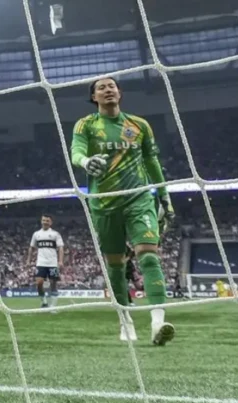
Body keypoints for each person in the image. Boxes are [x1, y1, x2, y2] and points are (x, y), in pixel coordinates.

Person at [70, 76, 175, 344]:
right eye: (101, 88)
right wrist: (86, 161)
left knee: (148, 255)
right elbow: (76, 152)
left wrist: (164, 195)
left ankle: (158, 322)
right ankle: (125, 320)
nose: (108, 90)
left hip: (139, 198)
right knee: (115, 266)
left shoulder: (139, 125)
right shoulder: (86, 125)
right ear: (94, 97)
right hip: (104, 203)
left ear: (120, 92)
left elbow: (152, 161)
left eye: (112, 86)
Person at [26, 214, 64, 309]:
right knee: (39, 283)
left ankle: (53, 306)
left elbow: (61, 248)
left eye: (47, 220)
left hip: (53, 263)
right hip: (41, 263)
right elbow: (31, 248)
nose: (45, 222)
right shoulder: (36, 234)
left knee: (53, 284)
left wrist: (60, 261)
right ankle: (44, 302)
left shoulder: (55, 234)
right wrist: (28, 260)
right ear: (41, 221)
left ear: (51, 222)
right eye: (44, 220)